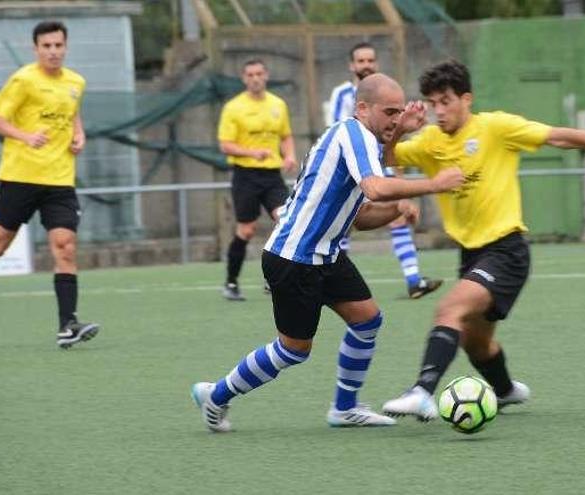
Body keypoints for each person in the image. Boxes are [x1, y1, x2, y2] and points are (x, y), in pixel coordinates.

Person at [382, 60, 585, 420]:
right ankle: (506, 391)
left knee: (449, 310)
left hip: (506, 251)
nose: (439, 110)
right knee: (475, 342)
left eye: (446, 100)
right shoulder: (430, 142)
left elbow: (558, 136)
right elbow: (387, 158)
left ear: (466, 99)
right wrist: (399, 131)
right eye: (433, 102)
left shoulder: (496, 128)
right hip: (471, 254)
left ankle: (422, 392)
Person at [190, 73, 464, 431]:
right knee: (294, 350)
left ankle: (344, 408)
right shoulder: (352, 134)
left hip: (326, 256)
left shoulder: (361, 140)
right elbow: (376, 187)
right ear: (363, 108)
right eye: (390, 111)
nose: (396, 118)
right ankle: (217, 395)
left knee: (367, 321)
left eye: (400, 111)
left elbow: (361, 216)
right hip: (294, 259)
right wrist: (433, 185)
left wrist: (396, 205)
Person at [0, 21, 100, 349]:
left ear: (66, 46)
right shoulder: (24, 79)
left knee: (65, 246)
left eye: (58, 45)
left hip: (60, 180)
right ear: (35, 48)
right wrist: (26, 136)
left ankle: (68, 325)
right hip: (20, 177)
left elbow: (72, 115)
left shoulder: (76, 81)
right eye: (46, 46)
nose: (53, 51)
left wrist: (80, 135)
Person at [325, 42, 442, 299]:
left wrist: (397, 174)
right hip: (352, 168)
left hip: (378, 165)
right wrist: (436, 184)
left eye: (370, 60)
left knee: (397, 215)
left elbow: (390, 140)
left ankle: (413, 280)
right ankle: (331, 278)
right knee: (346, 223)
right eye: (361, 61)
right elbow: (340, 132)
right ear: (351, 65)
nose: (366, 65)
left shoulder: (387, 96)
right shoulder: (342, 96)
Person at [218, 59, 297, 301]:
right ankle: (231, 282)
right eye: (250, 74)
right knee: (247, 230)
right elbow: (225, 145)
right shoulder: (234, 107)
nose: (255, 78)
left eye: (259, 73)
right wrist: (252, 153)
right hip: (246, 175)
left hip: (272, 176)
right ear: (244, 78)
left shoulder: (278, 104)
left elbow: (285, 135)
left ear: (266, 75)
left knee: (285, 220)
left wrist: (290, 155)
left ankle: (273, 277)